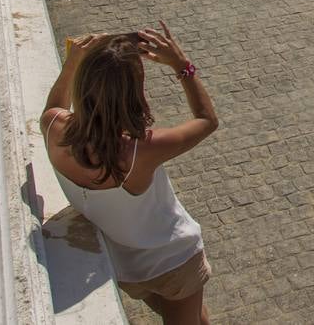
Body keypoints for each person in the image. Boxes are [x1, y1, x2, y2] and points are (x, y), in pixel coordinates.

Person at [41, 26, 216, 322]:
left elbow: (56, 105)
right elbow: (206, 120)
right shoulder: (140, 151)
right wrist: (181, 64)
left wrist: (72, 62)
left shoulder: (53, 128)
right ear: (134, 93)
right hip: (172, 260)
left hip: (125, 265)